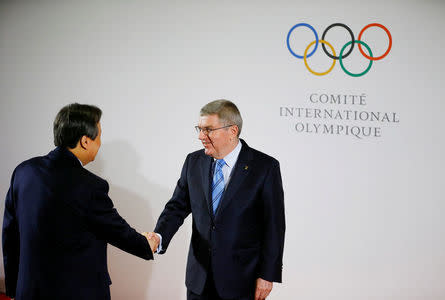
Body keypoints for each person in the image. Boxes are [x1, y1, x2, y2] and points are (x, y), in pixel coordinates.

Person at [2, 103, 158, 300]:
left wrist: (13, 290)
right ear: (85, 141)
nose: (100, 143)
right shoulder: (91, 186)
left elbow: (10, 235)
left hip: (28, 291)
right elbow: (117, 231)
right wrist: (146, 243)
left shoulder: (24, 172)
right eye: (99, 135)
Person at [150, 100, 285, 300]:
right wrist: (158, 237)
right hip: (199, 280)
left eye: (208, 130)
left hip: (242, 281)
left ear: (232, 131)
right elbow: (176, 208)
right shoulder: (193, 162)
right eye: (199, 129)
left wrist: (267, 274)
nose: (200, 136)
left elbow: (274, 225)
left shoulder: (264, 168)